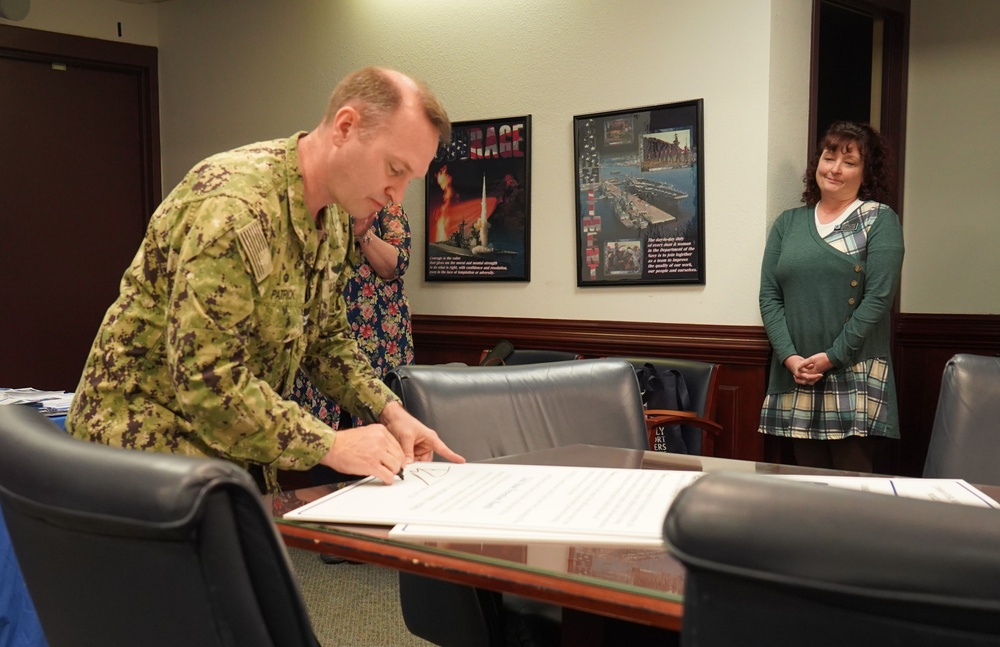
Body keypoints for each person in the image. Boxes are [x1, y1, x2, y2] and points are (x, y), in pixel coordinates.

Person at [66, 66, 464, 492]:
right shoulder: (235, 208)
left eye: (409, 179)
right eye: (393, 168)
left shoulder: (334, 220)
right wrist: (331, 445)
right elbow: (207, 381)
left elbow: (326, 339)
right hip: (135, 467)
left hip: (219, 467)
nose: (396, 195)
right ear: (346, 127)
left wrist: (388, 410)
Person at [757, 121, 904, 473]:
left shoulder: (879, 220)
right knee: (804, 487)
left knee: (852, 492)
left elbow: (878, 299)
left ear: (866, 173)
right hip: (796, 374)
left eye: (849, 162)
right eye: (829, 157)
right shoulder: (788, 223)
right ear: (817, 164)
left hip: (853, 371)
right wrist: (790, 358)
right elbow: (769, 296)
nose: (835, 169)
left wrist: (832, 357)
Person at [290, 201, 415, 478]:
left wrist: (362, 234)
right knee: (325, 432)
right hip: (321, 334)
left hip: (380, 336)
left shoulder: (385, 205)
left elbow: (395, 265)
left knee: (379, 419)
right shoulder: (317, 205)